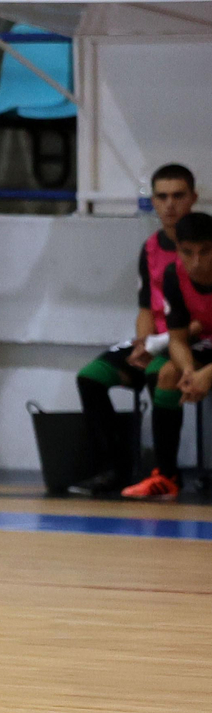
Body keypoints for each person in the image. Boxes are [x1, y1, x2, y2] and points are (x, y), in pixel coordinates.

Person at [71, 164, 198, 496]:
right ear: (153, 202)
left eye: (178, 196)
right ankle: (113, 469)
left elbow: (199, 317)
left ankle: (165, 473)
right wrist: (142, 343)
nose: (170, 204)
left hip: (184, 339)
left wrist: (159, 345)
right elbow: (145, 308)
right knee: (90, 377)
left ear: (193, 199)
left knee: (161, 373)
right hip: (155, 338)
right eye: (162, 196)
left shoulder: (201, 250)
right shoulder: (151, 248)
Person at [121, 212, 212, 501]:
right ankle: (167, 476)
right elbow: (177, 339)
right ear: (179, 251)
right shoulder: (174, 275)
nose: (197, 262)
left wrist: (206, 375)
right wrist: (189, 373)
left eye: (206, 252)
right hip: (205, 346)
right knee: (169, 374)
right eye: (188, 253)